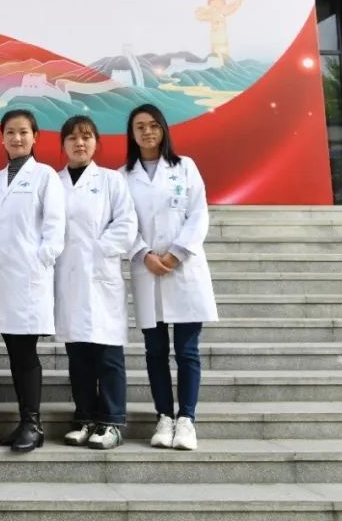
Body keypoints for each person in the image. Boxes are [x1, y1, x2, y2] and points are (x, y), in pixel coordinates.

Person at [123, 103, 218, 451]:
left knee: (187, 351)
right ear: (132, 134)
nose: (147, 132)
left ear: (163, 129)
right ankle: (164, 416)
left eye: (153, 125)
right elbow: (123, 221)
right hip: (146, 269)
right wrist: (144, 254)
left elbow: (199, 213)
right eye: (139, 127)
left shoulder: (185, 167)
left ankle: (186, 419)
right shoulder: (122, 176)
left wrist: (176, 253)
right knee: (155, 351)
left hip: (184, 268)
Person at [0, 109, 65, 452]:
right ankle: (26, 422)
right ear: (2, 138)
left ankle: (33, 423)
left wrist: (41, 260)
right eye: (10, 132)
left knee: (25, 352)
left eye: (23, 132)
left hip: (29, 277)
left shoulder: (45, 176)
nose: (17, 138)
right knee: (15, 351)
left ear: (35, 137)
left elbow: (55, 226)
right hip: (1, 278)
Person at [54, 115, 137, 450]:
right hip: (68, 277)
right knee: (78, 355)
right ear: (63, 144)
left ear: (96, 142)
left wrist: (98, 250)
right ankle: (86, 417)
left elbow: (126, 223)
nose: (80, 143)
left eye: (86, 136)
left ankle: (112, 421)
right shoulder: (54, 182)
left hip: (101, 276)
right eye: (73, 137)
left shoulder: (111, 181)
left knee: (108, 354)